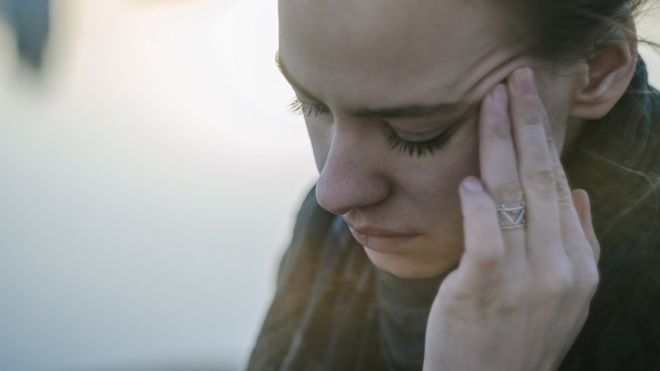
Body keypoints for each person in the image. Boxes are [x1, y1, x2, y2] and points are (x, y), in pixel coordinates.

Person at [246, 0, 660, 369]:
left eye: (418, 132)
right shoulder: (328, 241)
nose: (332, 194)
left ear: (598, 69)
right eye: (310, 104)